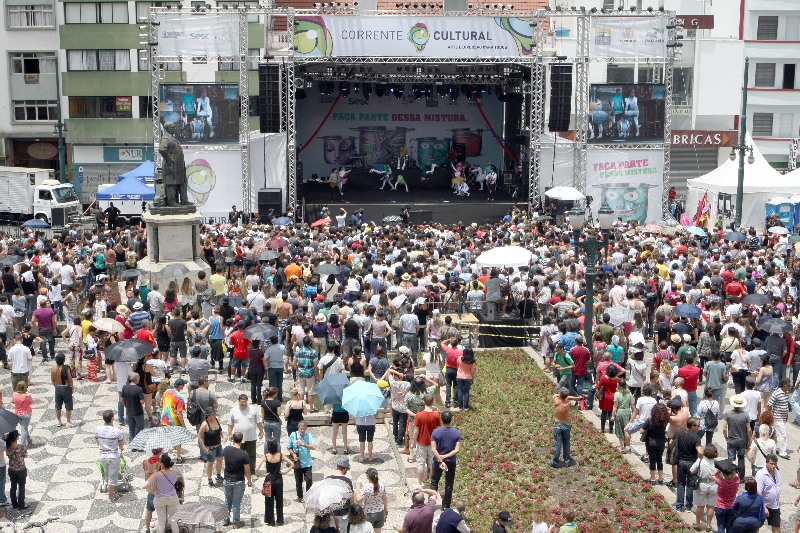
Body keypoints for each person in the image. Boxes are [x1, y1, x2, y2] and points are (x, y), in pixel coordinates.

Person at [256, 437, 293, 526]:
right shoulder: (280, 455)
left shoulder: (265, 456)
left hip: (269, 480)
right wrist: (284, 472)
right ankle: (280, 520)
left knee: (269, 500)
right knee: (279, 501)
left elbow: (256, 468)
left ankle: (270, 520)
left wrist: (264, 474)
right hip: (279, 479)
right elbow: (292, 464)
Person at [430, 410, 460, 510]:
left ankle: (431, 503)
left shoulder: (436, 432)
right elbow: (457, 449)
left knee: (434, 481)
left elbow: (433, 449)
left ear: (441, 420)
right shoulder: (456, 433)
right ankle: (446, 506)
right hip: (451, 461)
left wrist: (441, 459)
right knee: (449, 483)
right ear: (451, 419)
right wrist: (446, 456)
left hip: (438, 460)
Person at [227, 393, 265, 473]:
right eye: (242, 402)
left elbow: (258, 421)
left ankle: (251, 471)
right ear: (238, 401)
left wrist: (261, 431)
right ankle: (240, 471)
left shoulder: (253, 409)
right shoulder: (234, 410)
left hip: (251, 437)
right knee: (238, 456)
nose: (243, 404)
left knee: (251, 455)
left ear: (247, 401)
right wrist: (230, 434)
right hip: (238, 439)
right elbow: (230, 424)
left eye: (245, 402)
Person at [222, 431, 253, 528]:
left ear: (233, 439)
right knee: (236, 502)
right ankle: (236, 521)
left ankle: (225, 519)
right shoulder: (244, 454)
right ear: (242, 440)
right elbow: (247, 470)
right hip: (238, 481)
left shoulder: (226, 450)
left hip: (227, 479)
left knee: (227, 500)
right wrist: (249, 481)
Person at [143, 454, 180, 533]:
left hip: (160, 499)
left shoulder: (156, 475)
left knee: (161, 521)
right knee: (174, 520)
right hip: (172, 498)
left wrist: (153, 487)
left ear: (162, 464)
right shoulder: (175, 472)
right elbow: (175, 481)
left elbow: (144, 485)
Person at [723, 394, 753, 490]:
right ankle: (741, 476)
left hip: (731, 440)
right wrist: (750, 440)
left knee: (731, 459)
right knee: (741, 458)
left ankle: (731, 475)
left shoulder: (728, 414)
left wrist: (726, 437)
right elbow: (749, 429)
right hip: (742, 441)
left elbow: (724, 428)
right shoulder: (745, 416)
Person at [673, 417, 703, 513]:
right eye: (697, 425)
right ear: (692, 426)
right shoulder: (696, 438)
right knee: (690, 485)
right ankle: (689, 506)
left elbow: (671, 442)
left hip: (680, 461)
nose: (699, 427)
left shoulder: (680, 432)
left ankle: (679, 506)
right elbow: (700, 452)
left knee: (681, 483)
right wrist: (700, 460)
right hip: (691, 463)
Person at [95, 410, 124, 503]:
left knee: (107, 475)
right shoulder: (117, 431)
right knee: (113, 477)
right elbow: (121, 445)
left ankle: (111, 491)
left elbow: (97, 442)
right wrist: (121, 448)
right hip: (113, 456)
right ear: (112, 418)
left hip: (102, 456)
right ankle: (110, 497)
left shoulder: (98, 429)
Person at [551, 387, 583, 468]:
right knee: (567, 443)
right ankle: (567, 461)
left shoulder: (556, 401)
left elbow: (556, 395)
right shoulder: (568, 403)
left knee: (558, 444)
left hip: (558, 425)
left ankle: (555, 462)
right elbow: (568, 397)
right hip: (566, 425)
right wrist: (579, 398)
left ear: (560, 395)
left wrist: (561, 394)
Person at [690, 444, 719, 531]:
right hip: (713, 485)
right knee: (711, 506)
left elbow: (692, 470)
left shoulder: (700, 461)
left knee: (700, 506)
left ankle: (698, 524)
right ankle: (709, 525)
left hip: (701, 484)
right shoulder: (717, 463)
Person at [288, 420, 315, 501]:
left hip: (307, 462)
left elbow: (313, 447)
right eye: (301, 428)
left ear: (306, 428)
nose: (302, 430)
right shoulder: (293, 435)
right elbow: (288, 447)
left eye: (304, 429)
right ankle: (300, 496)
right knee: (298, 481)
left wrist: (303, 443)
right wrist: (293, 455)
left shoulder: (308, 435)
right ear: (298, 428)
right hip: (298, 463)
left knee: (309, 479)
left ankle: (308, 495)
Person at [198, 408, 225, 487]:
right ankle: (209, 479)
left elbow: (219, 429)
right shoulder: (205, 424)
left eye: (214, 414)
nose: (214, 415)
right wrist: (204, 448)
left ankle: (218, 475)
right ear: (208, 416)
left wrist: (223, 435)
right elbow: (199, 437)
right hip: (210, 447)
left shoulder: (217, 419)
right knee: (210, 463)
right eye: (212, 414)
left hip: (218, 445)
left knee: (220, 460)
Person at [356, 468, 388, 533]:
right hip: (380, 513)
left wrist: (358, 487)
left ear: (367, 476)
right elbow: (385, 499)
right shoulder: (382, 484)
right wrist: (385, 510)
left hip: (369, 514)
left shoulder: (366, 488)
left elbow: (358, 500)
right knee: (378, 531)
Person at [755, 453, 782, 533]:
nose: (773, 466)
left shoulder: (776, 472)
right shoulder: (761, 474)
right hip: (763, 505)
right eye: (771, 464)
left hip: (775, 505)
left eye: (775, 464)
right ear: (766, 463)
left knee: (776, 525)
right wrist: (764, 507)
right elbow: (758, 492)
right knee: (756, 526)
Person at [51, 353, 74, 427]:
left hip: (57, 387)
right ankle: (68, 422)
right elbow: (70, 379)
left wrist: (56, 386)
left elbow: (52, 379)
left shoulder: (53, 368)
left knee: (58, 405)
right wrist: (72, 388)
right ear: (63, 360)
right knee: (68, 405)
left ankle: (59, 421)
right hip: (66, 387)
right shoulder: (66, 368)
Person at [121, 373, 146, 442]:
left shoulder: (124, 387)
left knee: (131, 428)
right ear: (136, 379)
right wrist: (144, 397)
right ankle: (138, 442)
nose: (139, 379)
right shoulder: (139, 389)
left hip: (129, 411)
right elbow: (142, 402)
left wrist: (126, 406)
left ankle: (132, 443)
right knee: (140, 428)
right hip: (138, 412)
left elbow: (121, 399)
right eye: (139, 377)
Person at [262, 386, 283, 452]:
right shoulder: (277, 402)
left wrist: (263, 421)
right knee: (277, 440)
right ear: (274, 394)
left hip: (266, 422)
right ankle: (278, 454)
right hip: (275, 422)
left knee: (267, 440)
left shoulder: (263, 402)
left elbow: (262, 414)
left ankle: (266, 454)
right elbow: (279, 413)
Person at [11, 382, 33, 447]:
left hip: (17, 414)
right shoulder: (28, 395)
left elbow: (13, 401)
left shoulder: (14, 394)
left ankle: (29, 439)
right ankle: (22, 445)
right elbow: (31, 402)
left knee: (24, 427)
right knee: (24, 428)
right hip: (26, 414)